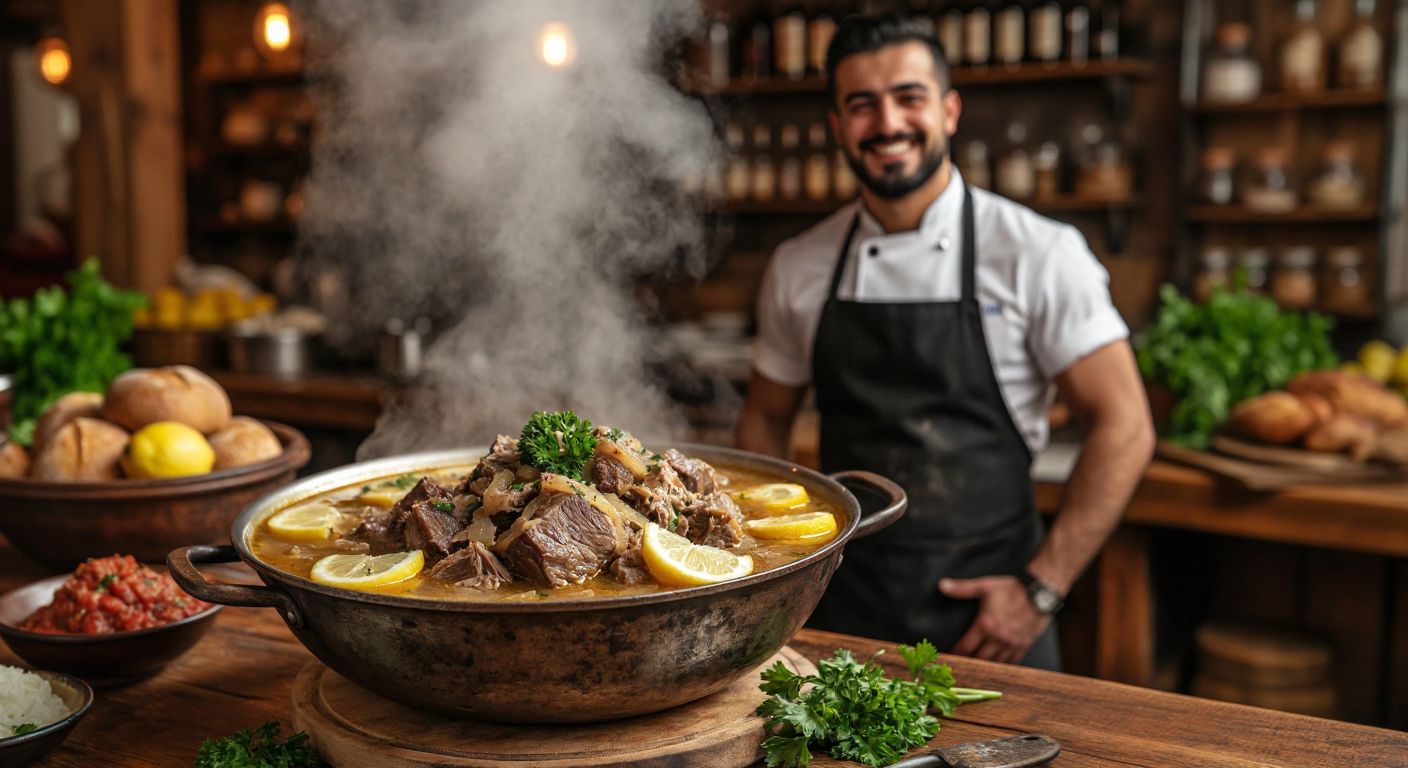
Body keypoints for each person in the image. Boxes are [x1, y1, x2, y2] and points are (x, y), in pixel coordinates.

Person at [735, 14, 1155, 670]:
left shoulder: (1038, 252)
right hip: (837, 609)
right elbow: (765, 416)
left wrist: (1040, 590)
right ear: (837, 127)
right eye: (862, 105)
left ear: (949, 111)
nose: (888, 123)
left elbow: (1126, 426)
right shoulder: (799, 266)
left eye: (909, 98)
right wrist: (775, 570)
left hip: (992, 624)